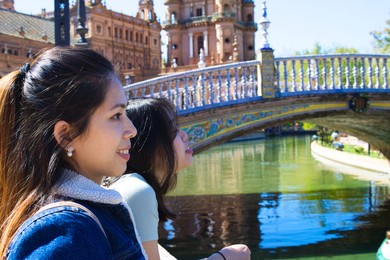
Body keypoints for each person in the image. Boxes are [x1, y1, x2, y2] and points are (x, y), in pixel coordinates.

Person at [0, 47, 147, 259]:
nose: (132, 130)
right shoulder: (67, 232)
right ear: (66, 135)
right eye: (116, 115)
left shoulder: (73, 223)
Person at [109, 97, 251, 260]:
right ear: (148, 145)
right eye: (172, 132)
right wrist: (222, 258)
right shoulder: (138, 191)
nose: (184, 135)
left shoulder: (129, 185)